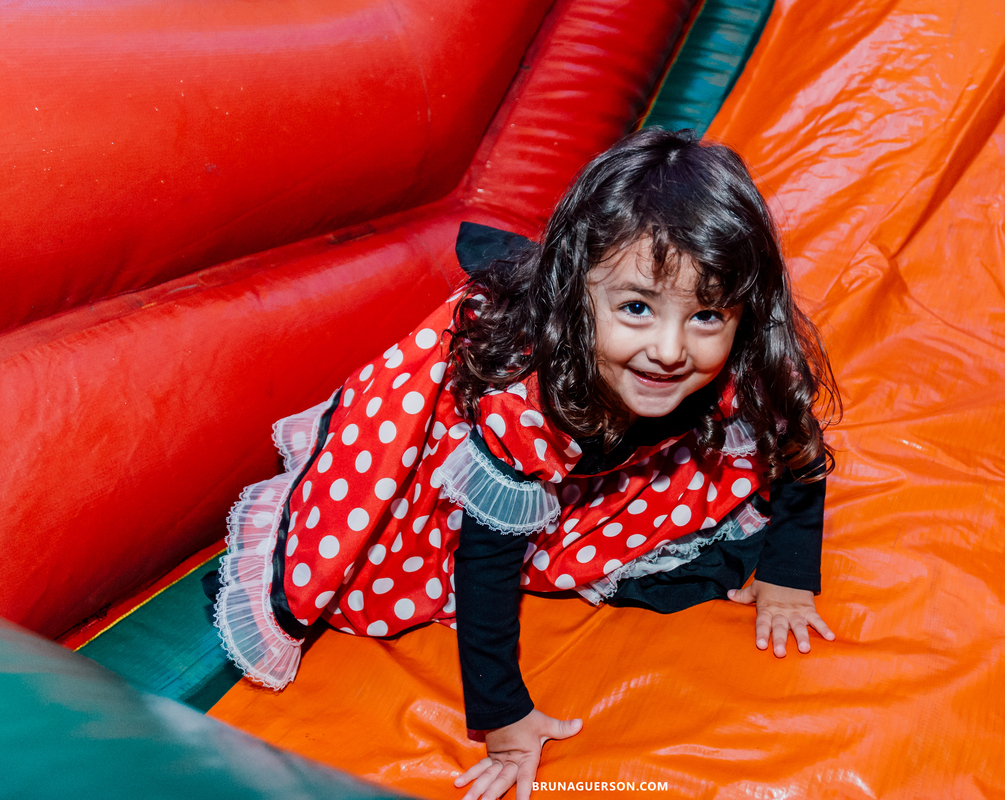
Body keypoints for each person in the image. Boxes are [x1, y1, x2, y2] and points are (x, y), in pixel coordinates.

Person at [211, 127, 839, 800]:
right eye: (636, 307)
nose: (668, 349)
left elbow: (795, 448)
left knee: (702, 553)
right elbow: (486, 561)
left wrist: (788, 575)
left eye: (707, 315)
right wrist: (503, 716)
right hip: (494, 425)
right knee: (377, 576)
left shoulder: (741, 363)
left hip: (605, 461)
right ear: (578, 291)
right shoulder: (524, 399)